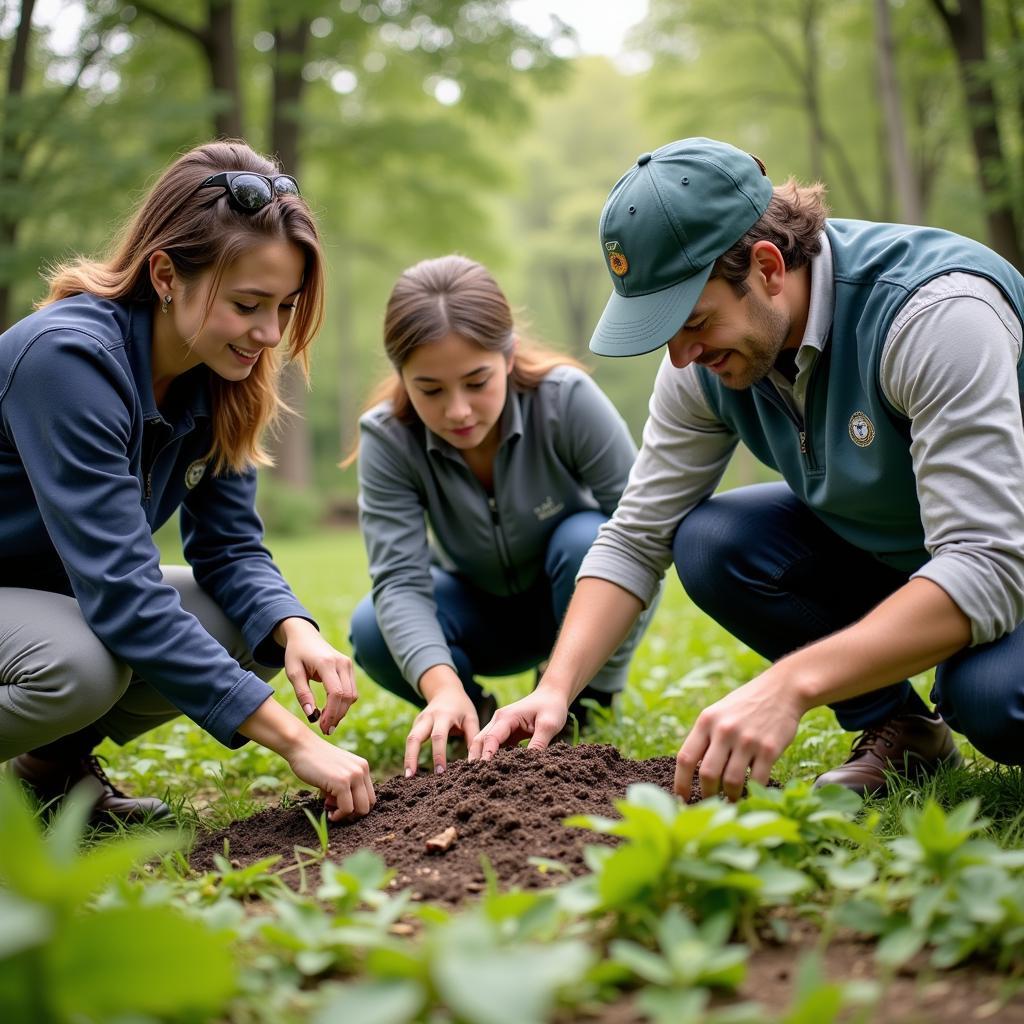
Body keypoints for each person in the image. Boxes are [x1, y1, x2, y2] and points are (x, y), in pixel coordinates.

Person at [470, 136, 1024, 802]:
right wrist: (556, 689)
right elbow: (636, 536)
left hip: (1002, 552)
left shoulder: (933, 318)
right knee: (713, 541)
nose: (680, 356)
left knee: (991, 698)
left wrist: (788, 685)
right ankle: (902, 730)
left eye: (694, 320)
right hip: (920, 556)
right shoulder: (706, 364)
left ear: (766, 267)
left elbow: (989, 561)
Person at [1, 140, 374, 824]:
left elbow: (229, 549)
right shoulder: (68, 361)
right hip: (29, 603)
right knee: (79, 665)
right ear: (167, 273)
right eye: (248, 304)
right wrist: (294, 742)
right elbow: (122, 591)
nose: (269, 333)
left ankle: (50, 777)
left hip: (51, 594)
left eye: (286, 307)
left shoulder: (221, 374)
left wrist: (295, 630)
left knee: (248, 624)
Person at [348, 254, 653, 777]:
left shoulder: (567, 400)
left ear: (508, 357)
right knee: (373, 625)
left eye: (476, 380)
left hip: (573, 609)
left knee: (589, 539)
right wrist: (442, 688)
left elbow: (644, 538)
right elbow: (399, 580)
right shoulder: (387, 438)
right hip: (475, 617)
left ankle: (582, 702)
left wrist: (592, 680)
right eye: (430, 390)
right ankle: (472, 714)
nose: (459, 411)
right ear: (402, 377)